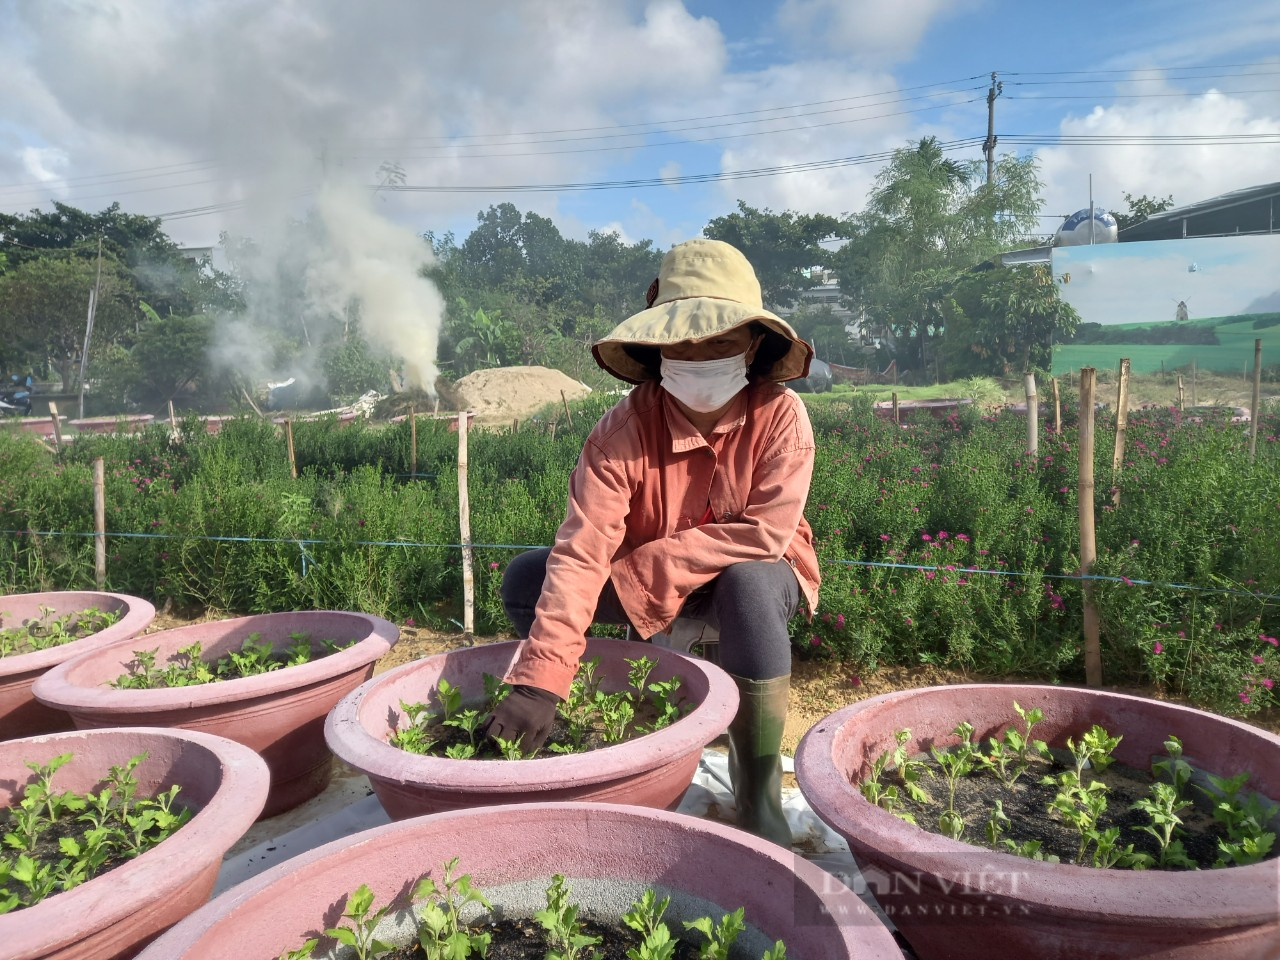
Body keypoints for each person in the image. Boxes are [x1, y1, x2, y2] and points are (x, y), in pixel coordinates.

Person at [481, 238, 821, 846]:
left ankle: (758, 795)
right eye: (682, 341)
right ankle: (576, 715)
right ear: (656, 346)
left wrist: (648, 572)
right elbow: (584, 551)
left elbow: (767, 533)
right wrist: (538, 679)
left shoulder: (781, 415)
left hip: (752, 576)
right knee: (528, 580)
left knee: (748, 585)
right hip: (647, 574)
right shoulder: (620, 431)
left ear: (753, 346)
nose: (699, 355)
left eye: (720, 340)